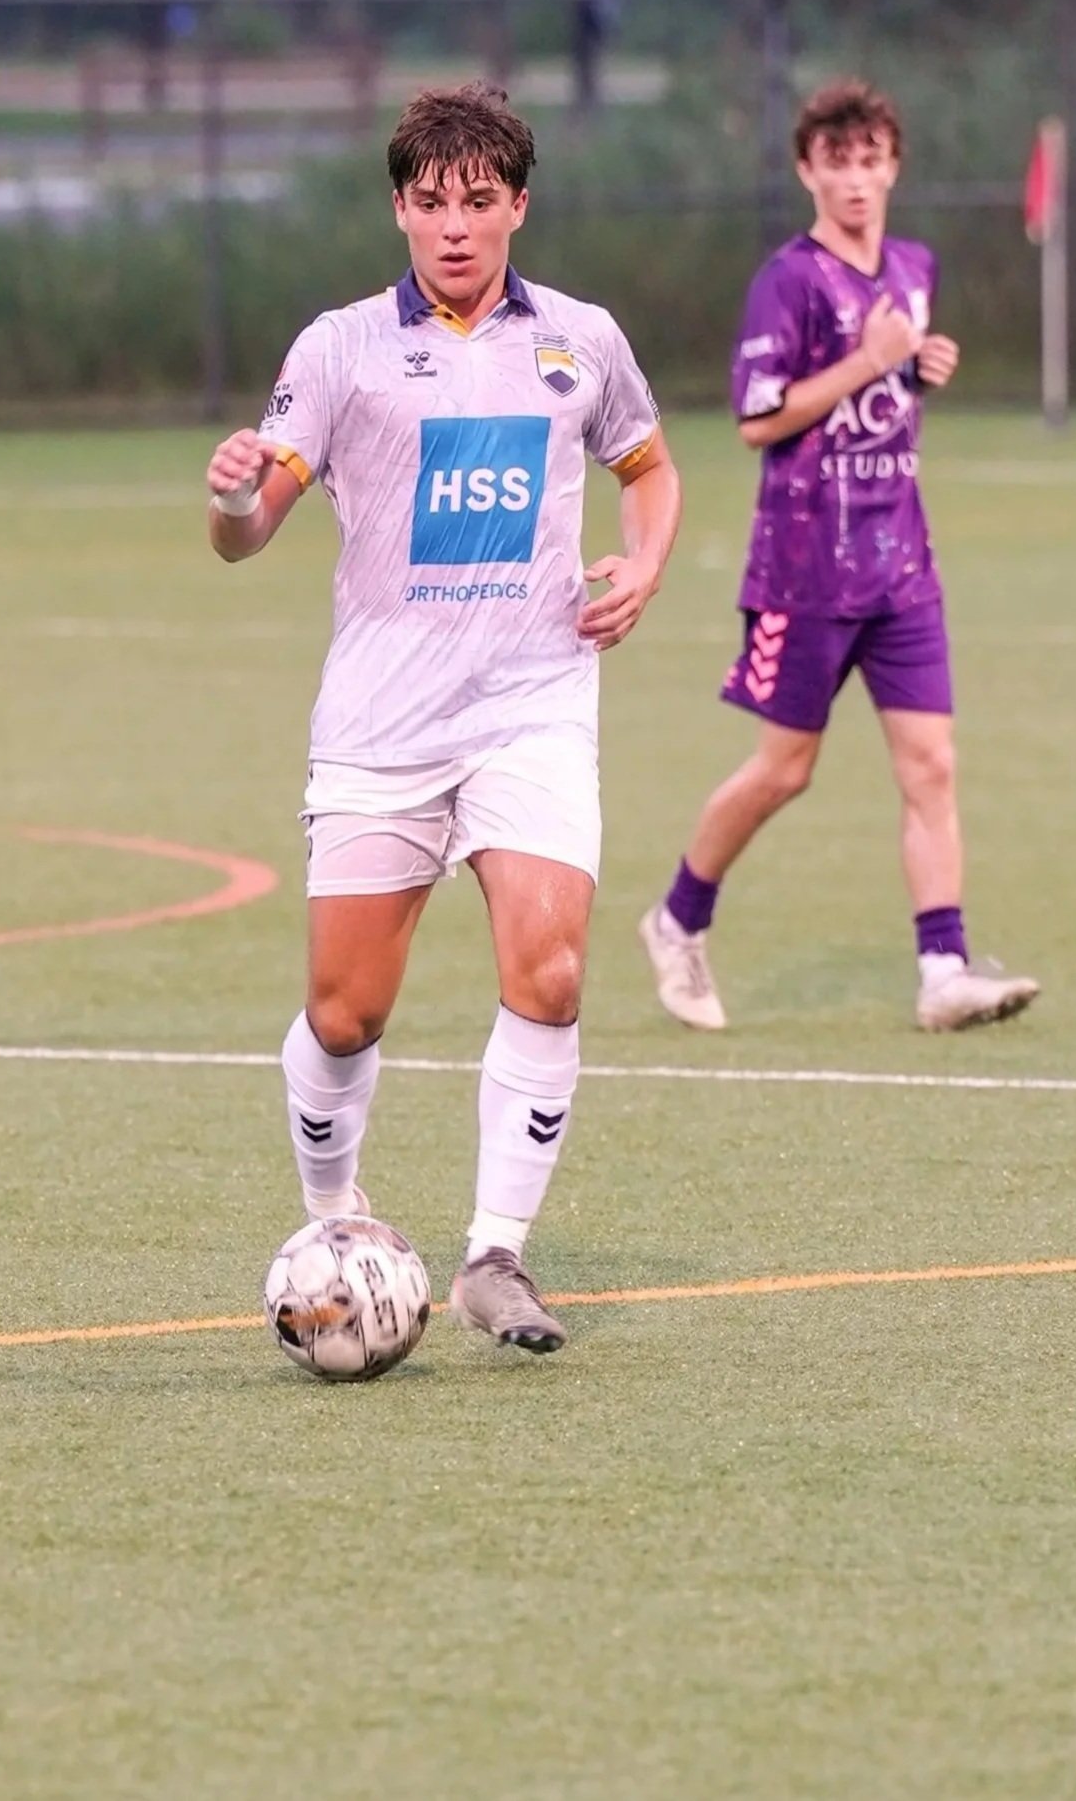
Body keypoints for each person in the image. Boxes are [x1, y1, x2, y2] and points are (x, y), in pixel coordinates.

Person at [207, 82, 680, 1354]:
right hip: (381, 724)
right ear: (399, 210)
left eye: (479, 202)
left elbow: (650, 467)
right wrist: (231, 500)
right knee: (346, 1010)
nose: (455, 227)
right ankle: (332, 1221)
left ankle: (493, 1256)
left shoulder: (579, 338)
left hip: (531, 704)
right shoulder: (342, 348)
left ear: (518, 204)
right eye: (430, 203)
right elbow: (250, 536)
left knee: (554, 966)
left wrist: (645, 561)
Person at [639, 77, 1038, 1036]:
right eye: (836, 162)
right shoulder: (788, 281)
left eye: (871, 160)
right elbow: (756, 419)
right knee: (783, 771)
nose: (855, 179)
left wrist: (916, 368)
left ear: (893, 166)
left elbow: (885, 393)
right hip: (804, 570)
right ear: (805, 170)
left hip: (901, 565)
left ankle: (942, 968)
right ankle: (676, 919)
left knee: (930, 765)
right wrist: (868, 360)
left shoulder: (912, 264)